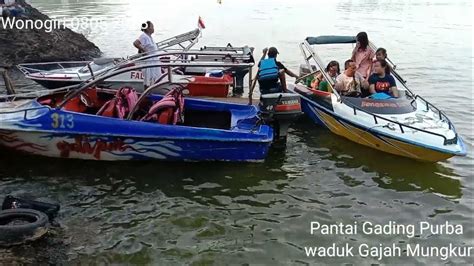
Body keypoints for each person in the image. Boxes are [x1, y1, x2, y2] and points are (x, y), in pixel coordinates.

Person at [133, 21, 161, 89]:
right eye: (152, 27)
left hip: (153, 61)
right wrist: (144, 50)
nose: (153, 28)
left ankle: (150, 92)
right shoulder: (144, 36)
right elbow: (136, 43)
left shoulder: (149, 37)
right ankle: (146, 94)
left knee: (152, 78)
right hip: (149, 61)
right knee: (147, 79)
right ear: (148, 28)